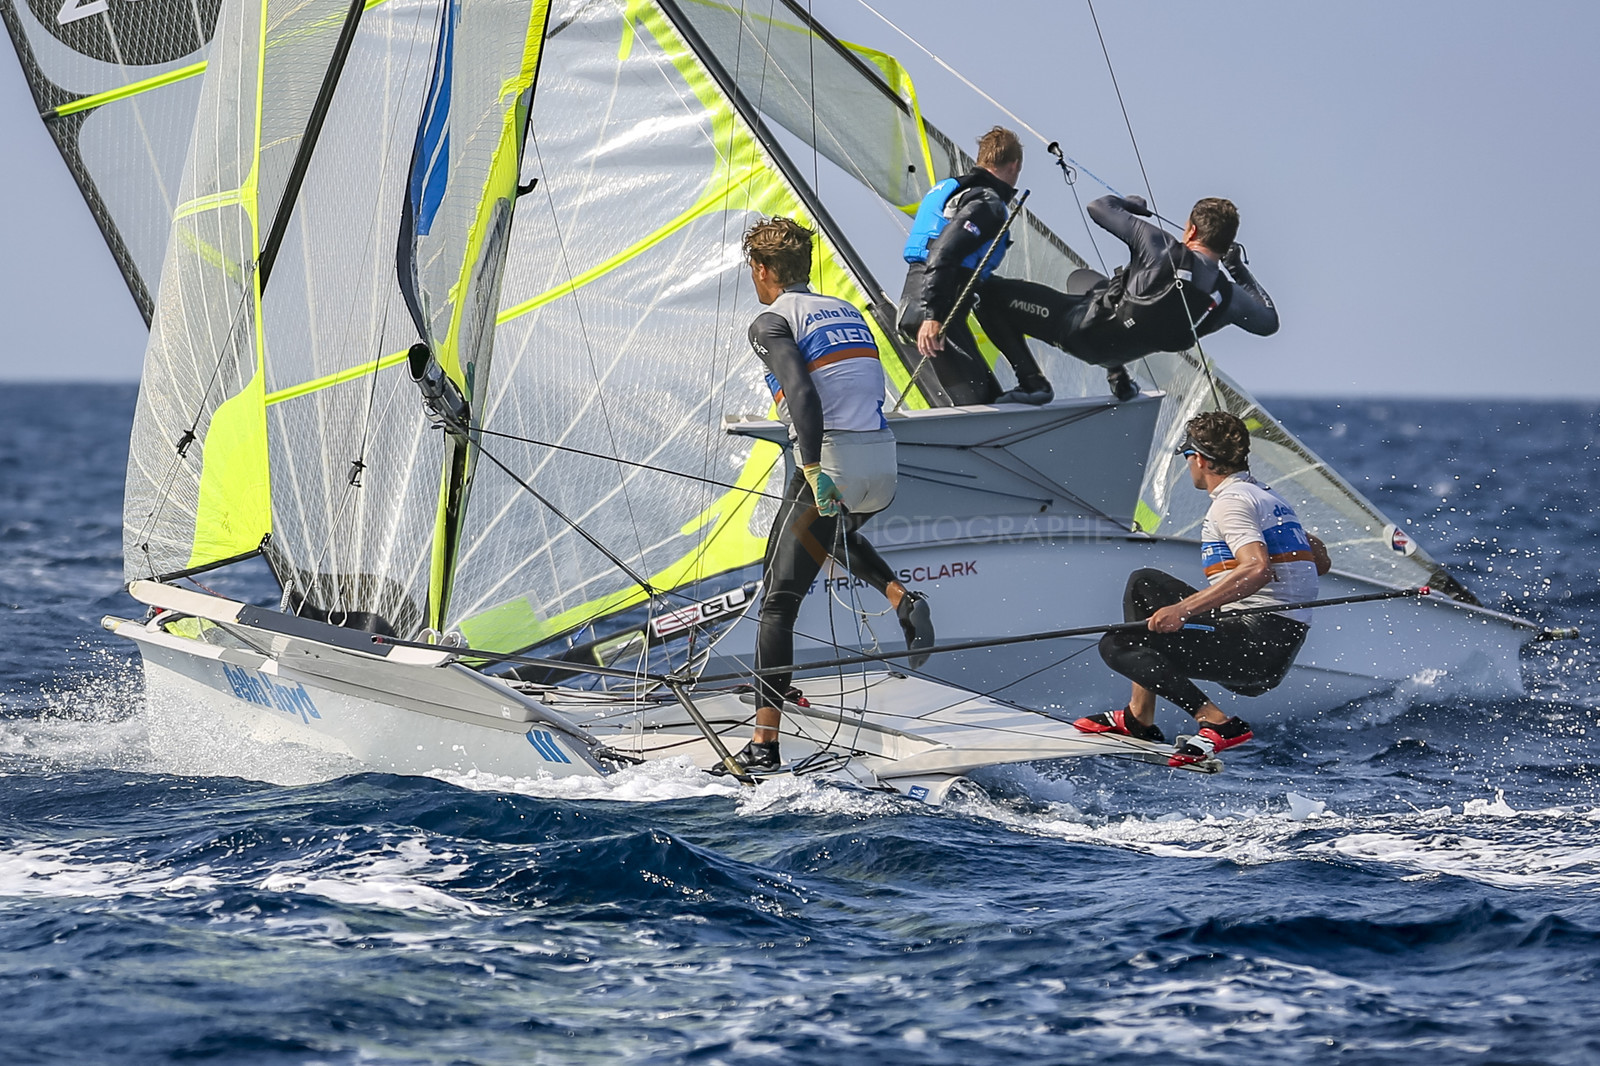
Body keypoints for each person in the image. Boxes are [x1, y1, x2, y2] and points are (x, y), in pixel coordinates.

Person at [732, 216, 936, 773]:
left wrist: (816, 466)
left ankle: (762, 747)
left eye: (752, 268)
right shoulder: (842, 309)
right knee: (817, 540)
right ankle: (900, 598)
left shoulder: (771, 321)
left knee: (777, 602)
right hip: (882, 469)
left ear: (763, 269)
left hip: (836, 465)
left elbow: (802, 393)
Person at [1074, 411, 1328, 767]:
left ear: (1201, 460)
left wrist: (1184, 610)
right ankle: (1138, 718)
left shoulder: (1232, 502)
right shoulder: (1267, 497)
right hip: (1271, 642)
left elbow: (1256, 569)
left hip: (1255, 647)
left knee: (1119, 644)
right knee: (1144, 584)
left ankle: (1218, 723)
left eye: (1187, 457)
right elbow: (1320, 561)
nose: (1189, 465)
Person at [981, 194, 1279, 402]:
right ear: (1227, 242)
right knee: (1095, 285)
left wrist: (1129, 205)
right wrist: (1237, 268)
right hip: (1118, 352)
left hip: (1076, 331)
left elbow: (1098, 207)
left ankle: (1032, 382)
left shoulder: (1161, 247)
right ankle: (1119, 379)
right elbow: (1269, 322)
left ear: (1192, 230)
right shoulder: (1229, 298)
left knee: (986, 292)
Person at [898, 126, 1054, 407]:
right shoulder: (986, 201)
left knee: (986, 400)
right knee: (981, 405)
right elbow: (943, 252)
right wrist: (934, 315)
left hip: (920, 304)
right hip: (934, 310)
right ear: (1015, 165)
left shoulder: (952, 189)